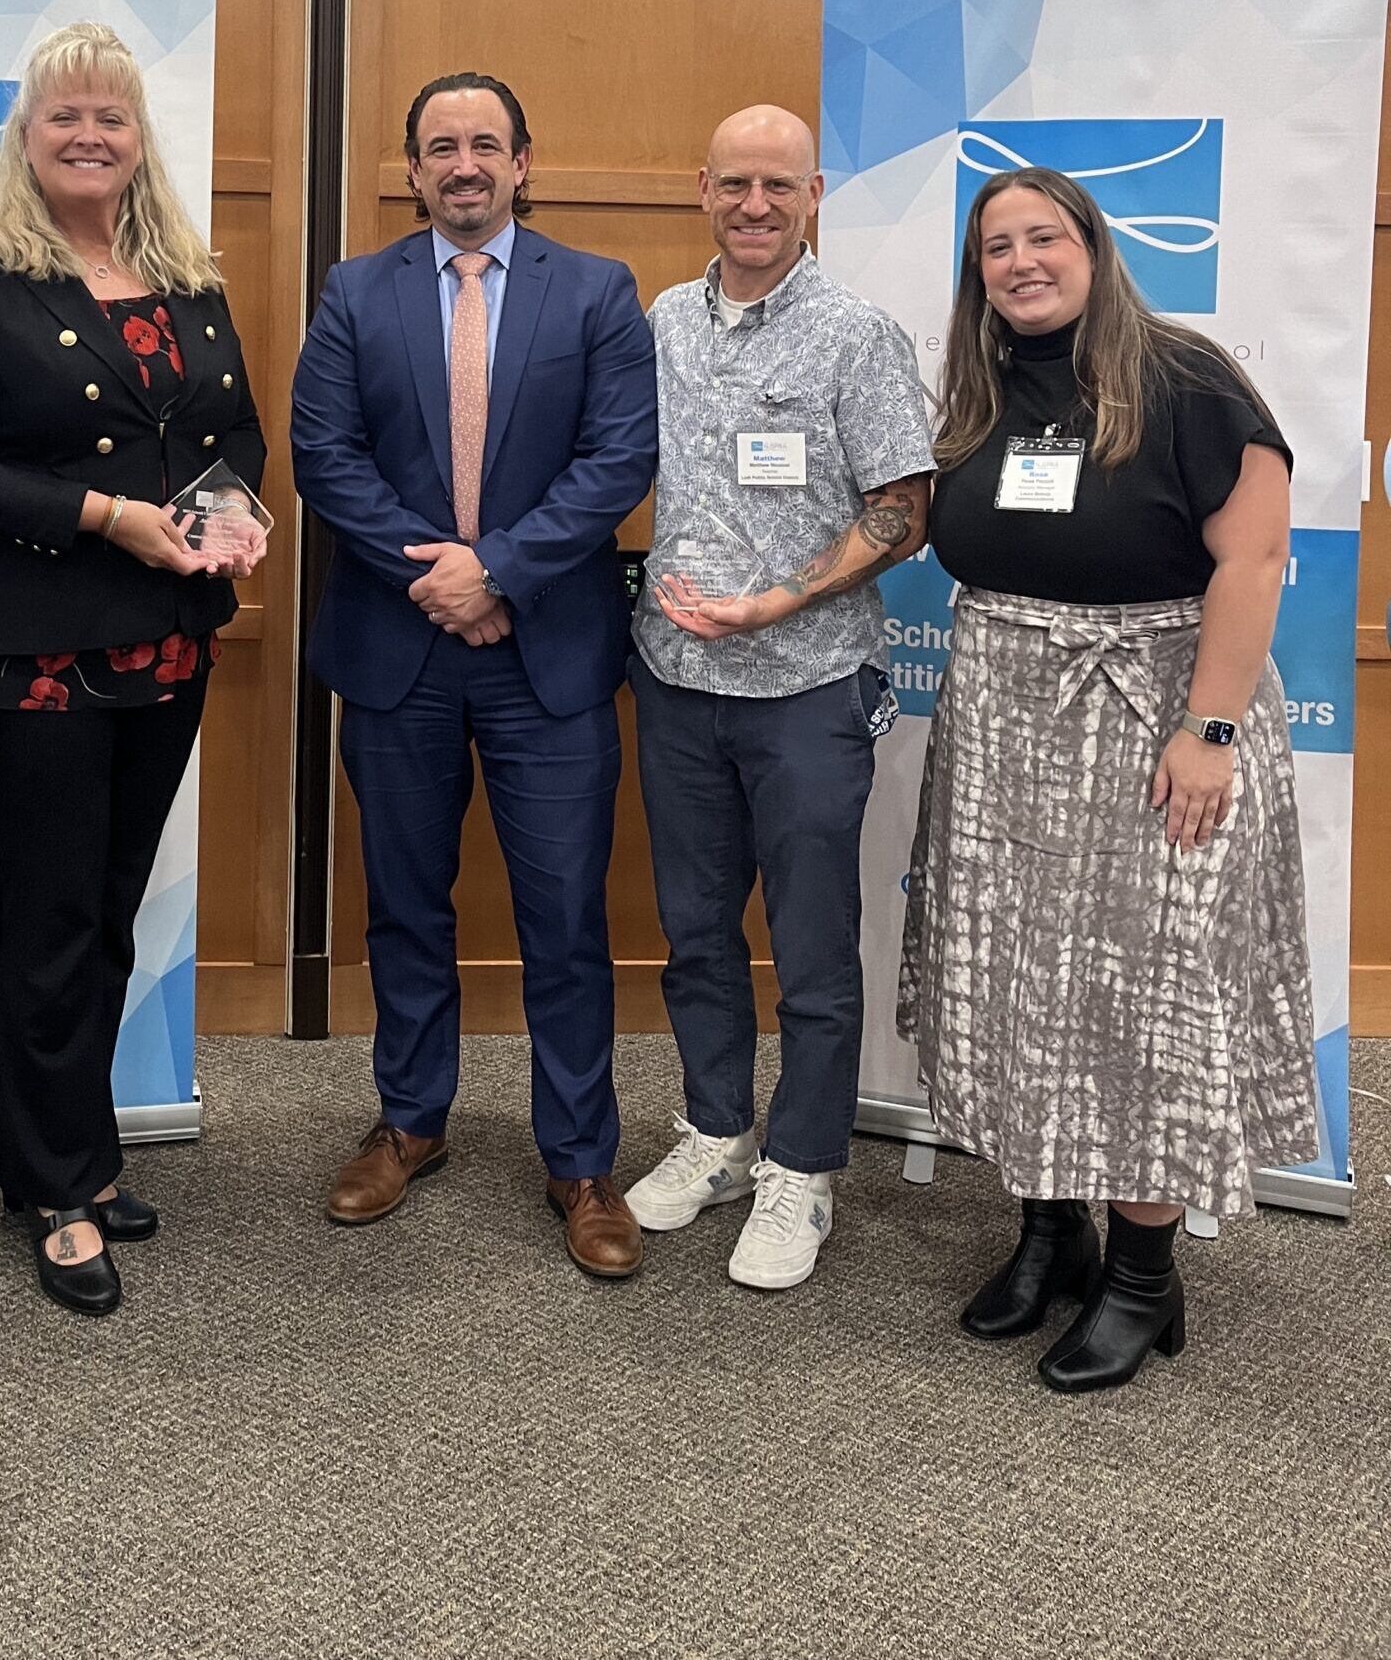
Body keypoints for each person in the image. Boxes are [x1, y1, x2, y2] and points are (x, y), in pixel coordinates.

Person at [897, 165, 1319, 1394]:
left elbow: (1256, 557)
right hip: (1007, 728)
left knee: (1146, 995)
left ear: (1094, 246)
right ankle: (1050, 1228)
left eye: (1044, 237)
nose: (1021, 261)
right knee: (1025, 982)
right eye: (996, 247)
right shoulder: (980, 386)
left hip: (1158, 720)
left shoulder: (1186, 376)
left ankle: (1144, 1273)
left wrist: (1212, 728)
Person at [0, 22, 263, 1316]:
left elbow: (237, 433)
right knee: (53, 913)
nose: (91, 136)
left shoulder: (184, 271)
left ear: (136, 136)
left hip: (165, 640)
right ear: (29, 137)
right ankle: (59, 1188)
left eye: (111, 116)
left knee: (105, 906)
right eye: (66, 117)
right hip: (24, 646)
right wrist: (108, 514)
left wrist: (226, 528)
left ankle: (58, 1146)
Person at [290, 72, 657, 1278]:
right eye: (440, 146)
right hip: (399, 652)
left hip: (542, 651)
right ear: (411, 169)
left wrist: (496, 572)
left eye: (485, 144)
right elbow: (322, 455)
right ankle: (410, 1120)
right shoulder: (354, 291)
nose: (464, 164)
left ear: (522, 161)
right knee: (405, 904)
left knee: (564, 918)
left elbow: (618, 462)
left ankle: (582, 1158)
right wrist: (439, 581)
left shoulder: (597, 292)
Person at [623, 106, 935, 1290]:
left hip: (806, 685)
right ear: (702, 187)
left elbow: (903, 508)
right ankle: (716, 1132)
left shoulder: (857, 334)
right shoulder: (659, 322)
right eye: (734, 183)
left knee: (811, 944)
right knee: (695, 931)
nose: (755, 204)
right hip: (676, 679)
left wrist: (779, 600)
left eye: (779, 186)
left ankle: (801, 1166)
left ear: (813, 195)